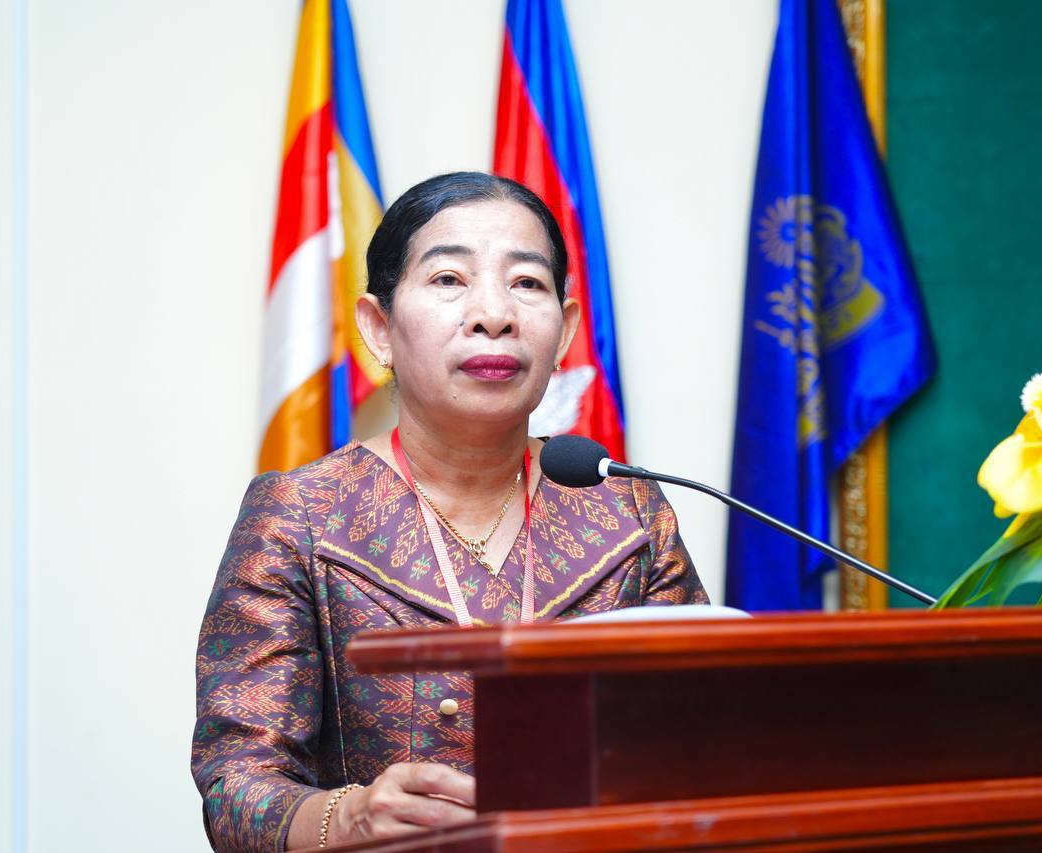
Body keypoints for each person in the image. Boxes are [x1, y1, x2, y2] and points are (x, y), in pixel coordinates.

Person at [192, 172, 708, 852]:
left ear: (564, 331)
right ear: (378, 327)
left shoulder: (627, 510)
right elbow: (236, 785)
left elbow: (705, 742)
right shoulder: (299, 513)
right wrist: (346, 818)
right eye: (448, 280)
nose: (494, 314)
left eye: (526, 283)